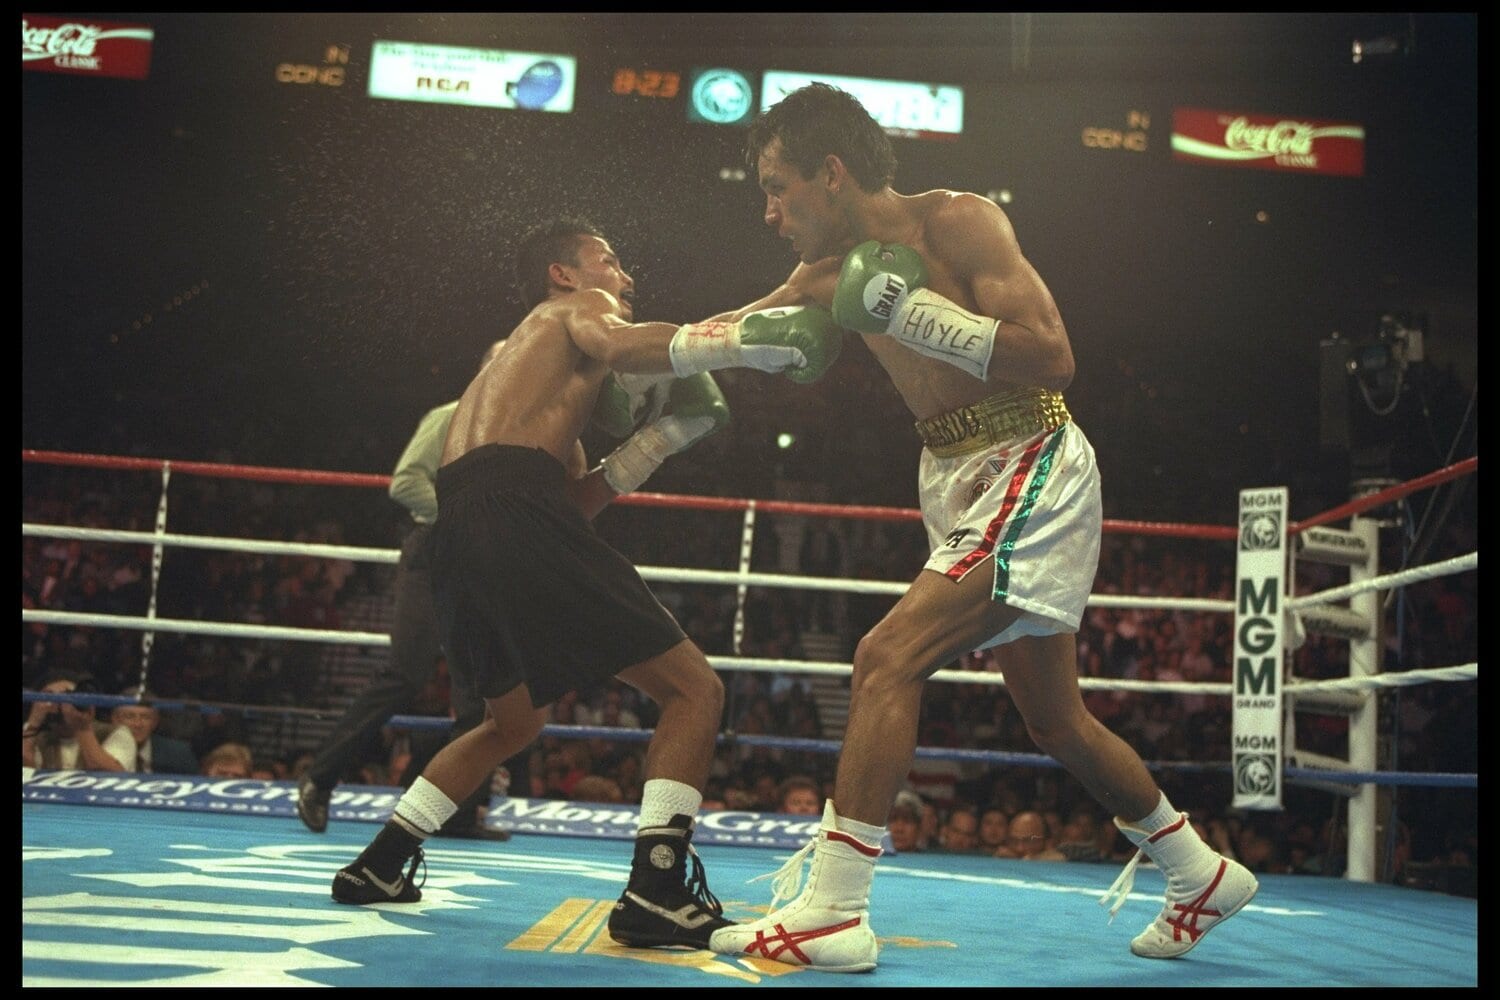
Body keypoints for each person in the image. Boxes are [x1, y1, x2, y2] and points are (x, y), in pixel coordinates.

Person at [706, 84, 1256, 972]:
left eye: (777, 187)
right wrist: (641, 356)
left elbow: (1056, 356)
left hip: (1029, 454)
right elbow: (734, 326)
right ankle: (1197, 870)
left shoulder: (959, 223)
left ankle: (836, 912)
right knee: (1055, 721)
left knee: (887, 658)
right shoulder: (823, 273)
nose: (769, 212)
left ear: (832, 172)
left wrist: (917, 314)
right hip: (952, 475)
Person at [328, 217, 842, 956]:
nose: (625, 279)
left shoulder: (523, 397)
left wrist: (656, 442)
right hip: (508, 510)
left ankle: (380, 863)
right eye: (610, 261)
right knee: (695, 690)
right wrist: (746, 345)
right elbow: (618, 347)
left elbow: (571, 504)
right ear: (564, 274)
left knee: (511, 725)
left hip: (461, 530)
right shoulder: (569, 310)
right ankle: (656, 889)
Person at [297, 342, 507, 840]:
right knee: (405, 673)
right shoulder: (448, 417)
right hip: (435, 553)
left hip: (486, 562)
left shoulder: (521, 433)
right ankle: (319, 777)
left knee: (479, 691)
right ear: (485, 371)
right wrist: (463, 518)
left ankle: (459, 812)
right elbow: (406, 482)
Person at [22, 670, 136, 772]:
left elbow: (109, 776)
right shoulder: (35, 737)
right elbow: (25, 772)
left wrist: (83, 728)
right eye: (49, 696)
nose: (58, 702)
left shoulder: (117, 733)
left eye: (66, 695)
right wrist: (34, 721)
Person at [111, 686, 199, 775]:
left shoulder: (179, 754)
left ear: (155, 721)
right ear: (115, 720)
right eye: (129, 716)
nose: (138, 724)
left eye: (146, 717)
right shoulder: (101, 753)